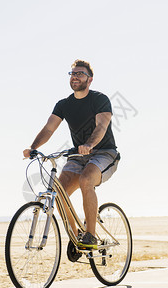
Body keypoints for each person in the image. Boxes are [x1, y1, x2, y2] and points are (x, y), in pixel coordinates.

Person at [23, 59, 120, 259]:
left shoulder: (100, 99)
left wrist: (90, 145)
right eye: (72, 73)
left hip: (104, 153)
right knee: (59, 192)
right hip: (78, 156)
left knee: (86, 180)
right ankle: (76, 235)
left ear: (90, 79)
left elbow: (101, 127)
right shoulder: (64, 104)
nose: (75, 76)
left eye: (80, 74)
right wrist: (33, 148)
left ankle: (91, 235)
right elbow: (49, 129)